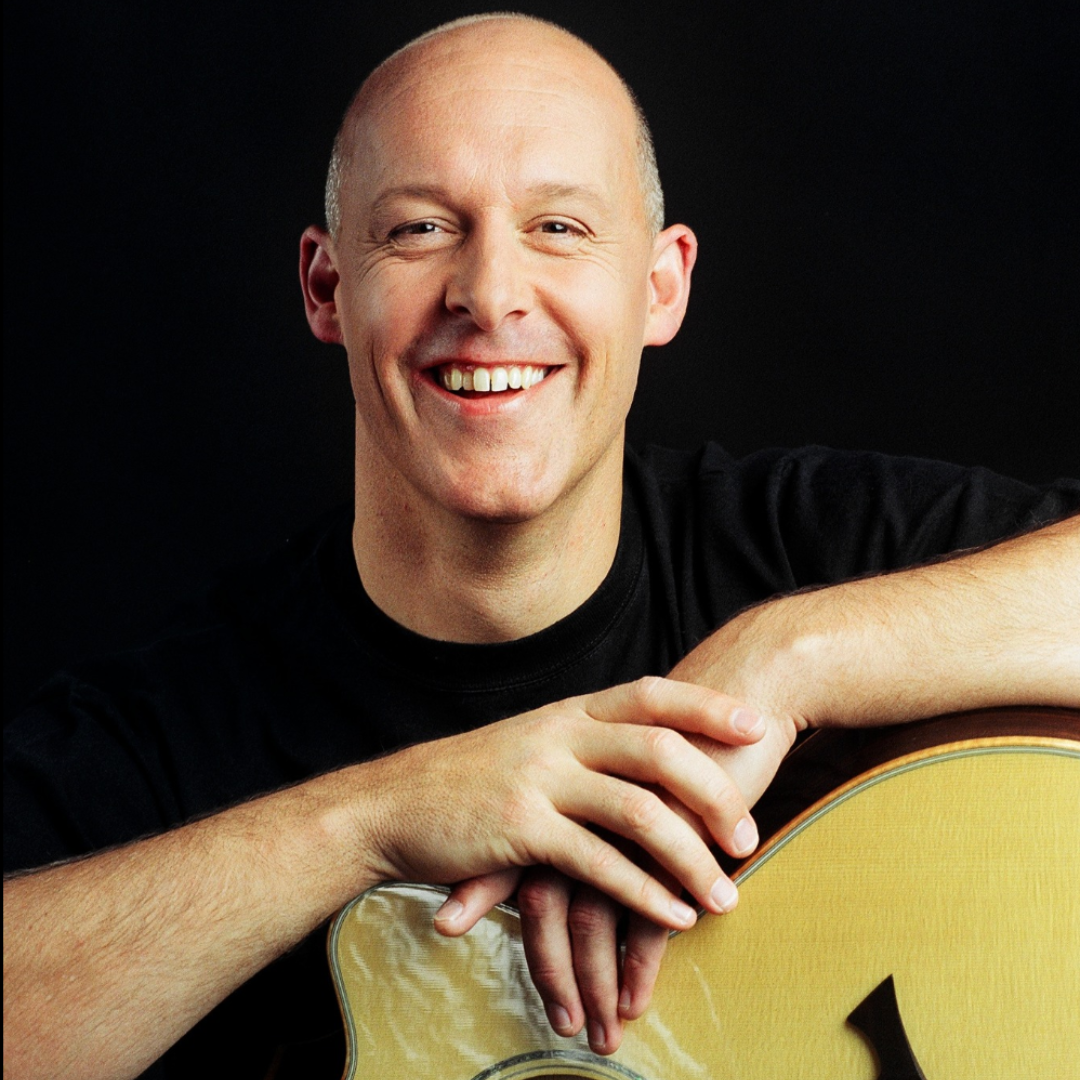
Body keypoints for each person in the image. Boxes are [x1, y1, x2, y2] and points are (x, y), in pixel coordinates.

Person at [4, 13, 1078, 1080]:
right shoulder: (173, 725)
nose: (490, 293)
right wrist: (374, 822)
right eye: (422, 229)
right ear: (327, 288)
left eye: (559, 229)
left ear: (662, 286)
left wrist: (795, 662)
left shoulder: (826, 546)